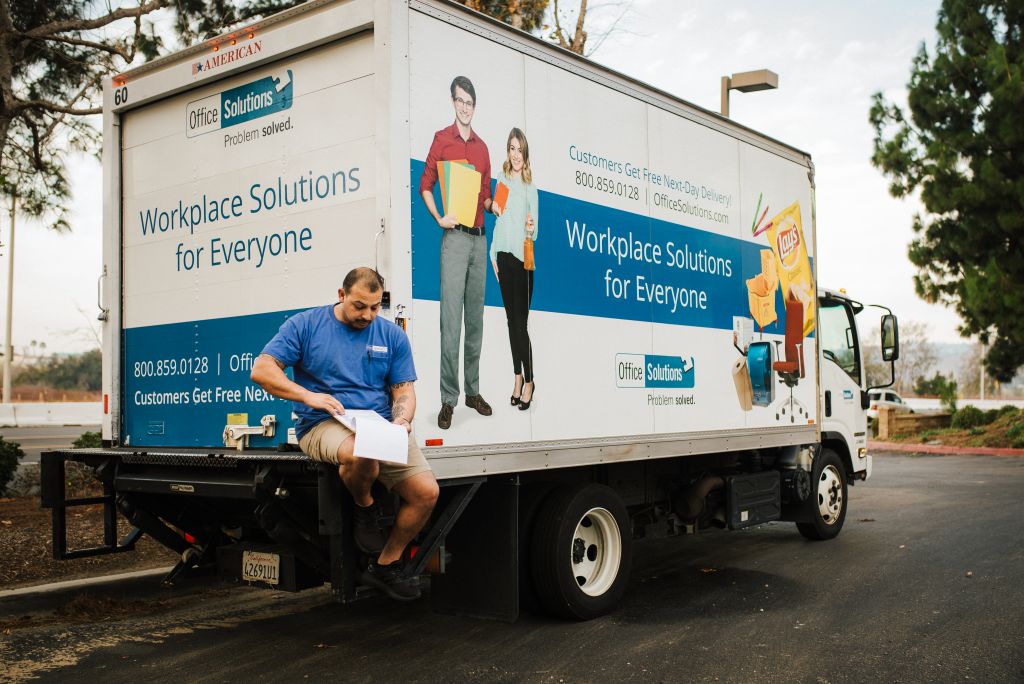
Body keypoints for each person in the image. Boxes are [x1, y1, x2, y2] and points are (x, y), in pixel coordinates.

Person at [250, 267, 439, 602]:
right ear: (341, 295)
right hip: (322, 423)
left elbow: (403, 390)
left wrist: (402, 419)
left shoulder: (391, 335)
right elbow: (262, 370)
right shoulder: (306, 325)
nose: (367, 315)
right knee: (359, 452)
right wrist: (308, 396)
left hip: (378, 424)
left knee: (426, 493)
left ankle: (386, 563)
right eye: (359, 306)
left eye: (374, 307)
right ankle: (364, 507)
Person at [419, 75, 495, 430]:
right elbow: (425, 185)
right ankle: (448, 399)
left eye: (470, 102)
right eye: (460, 100)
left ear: (474, 107)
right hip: (455, 239)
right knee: (451, 323)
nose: (465, 107)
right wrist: (439, 218)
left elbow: (485, 195)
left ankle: (473, 392)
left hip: (479, 240)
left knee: (475, 322)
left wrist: (496, 205)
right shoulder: (441, 140)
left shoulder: (482, 148)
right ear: (453, 102)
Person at [490, 128, 539, 410]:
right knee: (511, 323)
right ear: (508, 151)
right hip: (504, 259)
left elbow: (535, 229)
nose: (516, 154)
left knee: (521, 325)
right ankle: (517, 378)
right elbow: (499, 218)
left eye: (520, 149)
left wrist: (530, 230)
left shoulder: (531, 188)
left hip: (526, 262)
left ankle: (531, 381)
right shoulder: (503, 181)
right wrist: (493, 253)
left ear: (525, 153)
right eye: (511, 148)